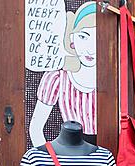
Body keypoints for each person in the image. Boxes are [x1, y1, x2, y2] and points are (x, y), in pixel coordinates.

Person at [29, 2, 98, 146]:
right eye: (83, 37)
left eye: (96, 38)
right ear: (72, 38)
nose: (90, 49)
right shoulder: (57, 78)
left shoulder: (113, 79)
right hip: (66, 154)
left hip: (101, 158)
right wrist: (49, 163)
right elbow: (35, 128)